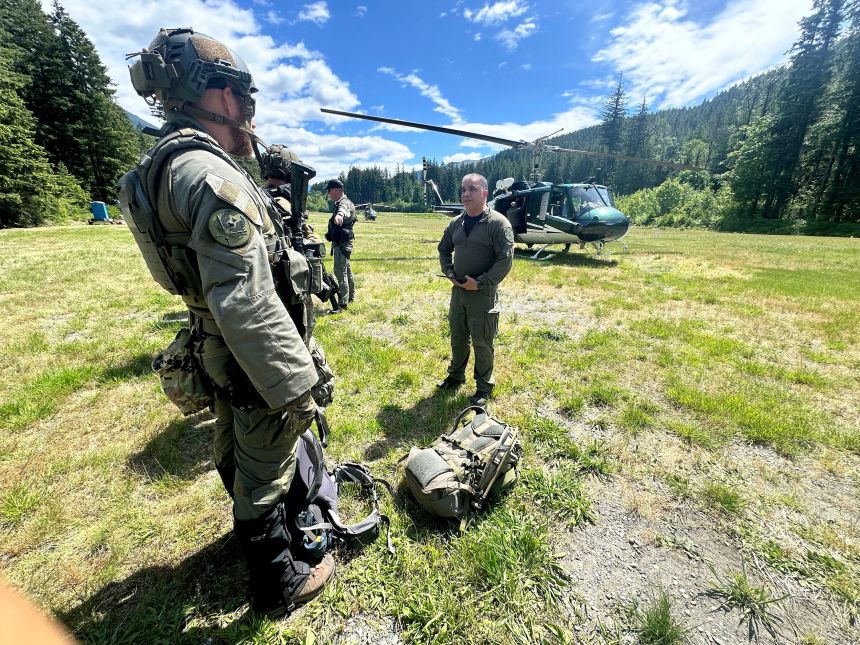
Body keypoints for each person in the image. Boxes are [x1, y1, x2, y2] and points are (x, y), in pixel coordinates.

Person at [119, 28, 334, 618]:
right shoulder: (211, 178)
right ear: (212, 95)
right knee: (265, 461)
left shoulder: (161, 169)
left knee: (233, 445)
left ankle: (267, 533)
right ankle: (277, 581)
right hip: (248, 352)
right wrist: (297, 389)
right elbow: (248, 303)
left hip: (212, 340)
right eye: (243, 95)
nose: (250, 111)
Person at [437, 173, 514, 407]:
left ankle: (483, 387)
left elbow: (505, 260)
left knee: (482, 341)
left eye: (471, 189)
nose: (466, 194)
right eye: (463, 190)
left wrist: (480, 283)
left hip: (482, 294)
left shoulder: (498, 224)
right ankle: (455, 376)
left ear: (484, 193)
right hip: (459, 292)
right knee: (458, 337)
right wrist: (449, 272)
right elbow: (443, 249)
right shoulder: (456, 223)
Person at [324, 179, 357, 313]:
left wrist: (339, 216)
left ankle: (342, 304)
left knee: (339, 270)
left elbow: (344, 212)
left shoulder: (344, 203)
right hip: (341, 242)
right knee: (346, 270)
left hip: (343, 244)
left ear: (336, 190)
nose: (328, 193)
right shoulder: (341, 202)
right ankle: (350, 297)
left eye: (329, 190)